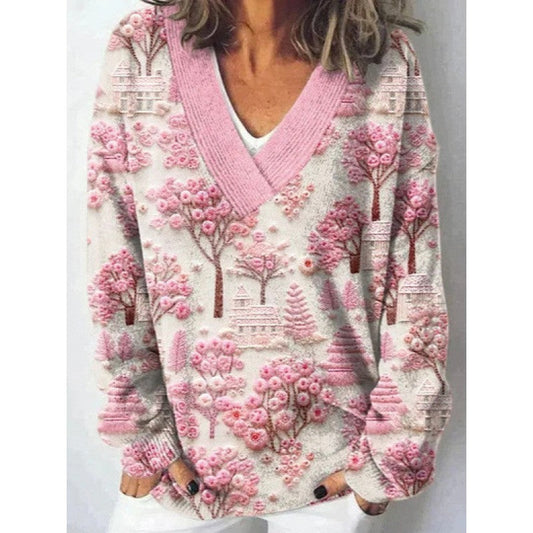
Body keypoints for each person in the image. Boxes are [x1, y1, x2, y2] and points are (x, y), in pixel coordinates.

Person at [85, 0, 452, 531]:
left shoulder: (382, 62)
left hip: (338, 466)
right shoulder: (142, 50)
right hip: (176, 463)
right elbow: (113, 249)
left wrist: (394, 452)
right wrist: (139, 428)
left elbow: (413, 266)